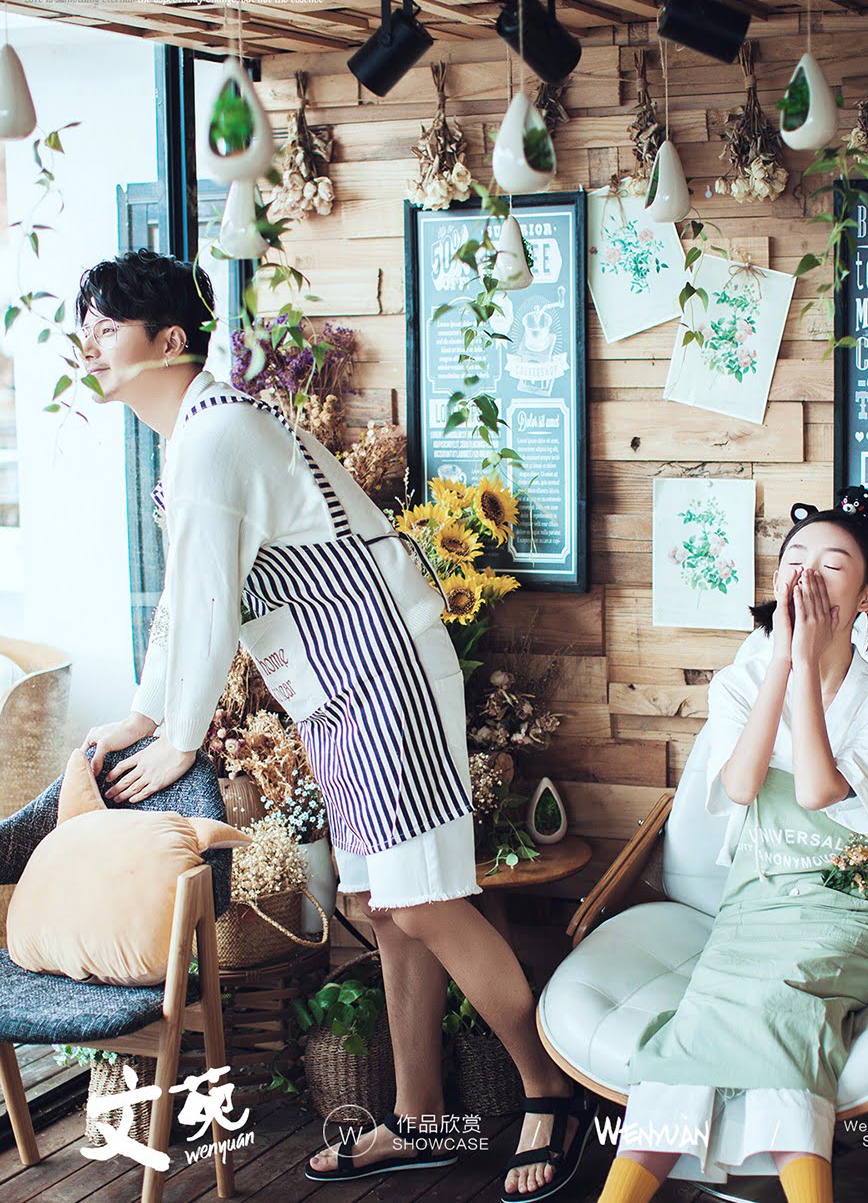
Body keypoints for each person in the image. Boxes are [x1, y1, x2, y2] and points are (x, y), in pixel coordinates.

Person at [77, 248, 594, 1200]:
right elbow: (188, 598)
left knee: (423, 899)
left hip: (382, 666)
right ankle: (419, 1116)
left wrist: (179, 736)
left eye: (107, 328)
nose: (89, 345)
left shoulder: (214, 435)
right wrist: (148, 712)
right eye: (86, 329)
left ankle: (551, 1091)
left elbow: (206, 604)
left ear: (170, 338)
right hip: (335, 683)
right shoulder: (195, 437)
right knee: (383, 906)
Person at [597, 486, 868, 1203]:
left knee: (784, 1010)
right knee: (692, 1027)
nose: (806, 576)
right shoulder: (740, 682)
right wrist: (781, 661)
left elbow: (815, 789)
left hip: (851, 908)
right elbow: (741, 783)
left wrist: (805, 665)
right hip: (755, 905)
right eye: (794, 561)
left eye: (832, 565)